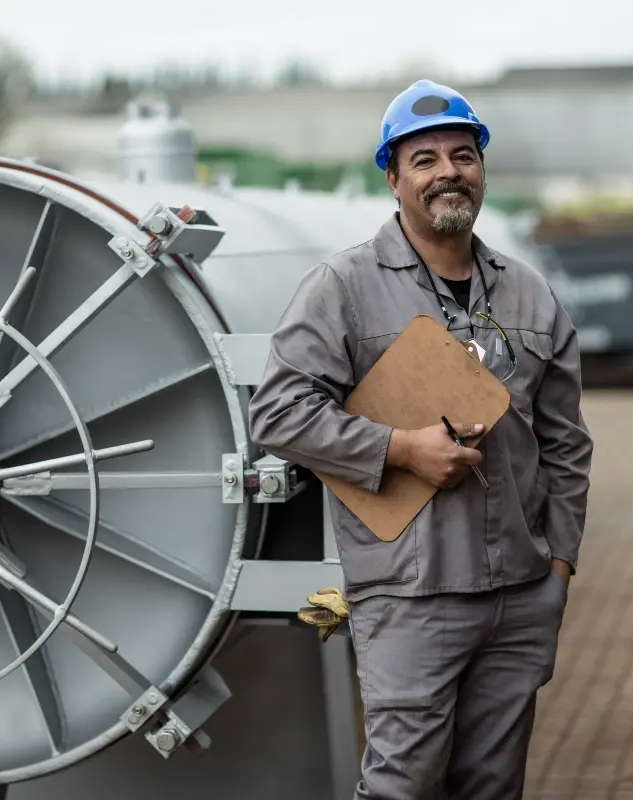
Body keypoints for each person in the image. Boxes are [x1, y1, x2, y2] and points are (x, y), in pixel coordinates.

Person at [247, 79, 594, 799]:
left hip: (521, 594)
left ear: (481, 169)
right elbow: (277, 412)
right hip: (411, 597)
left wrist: (559, 565)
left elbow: (566, 444)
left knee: (492, 787)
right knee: (403, 784)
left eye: (463, 155)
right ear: (393, 176)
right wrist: (400, 448)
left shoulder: (530, 293)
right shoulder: (341, 287)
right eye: (426, 158)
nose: (448, 172)